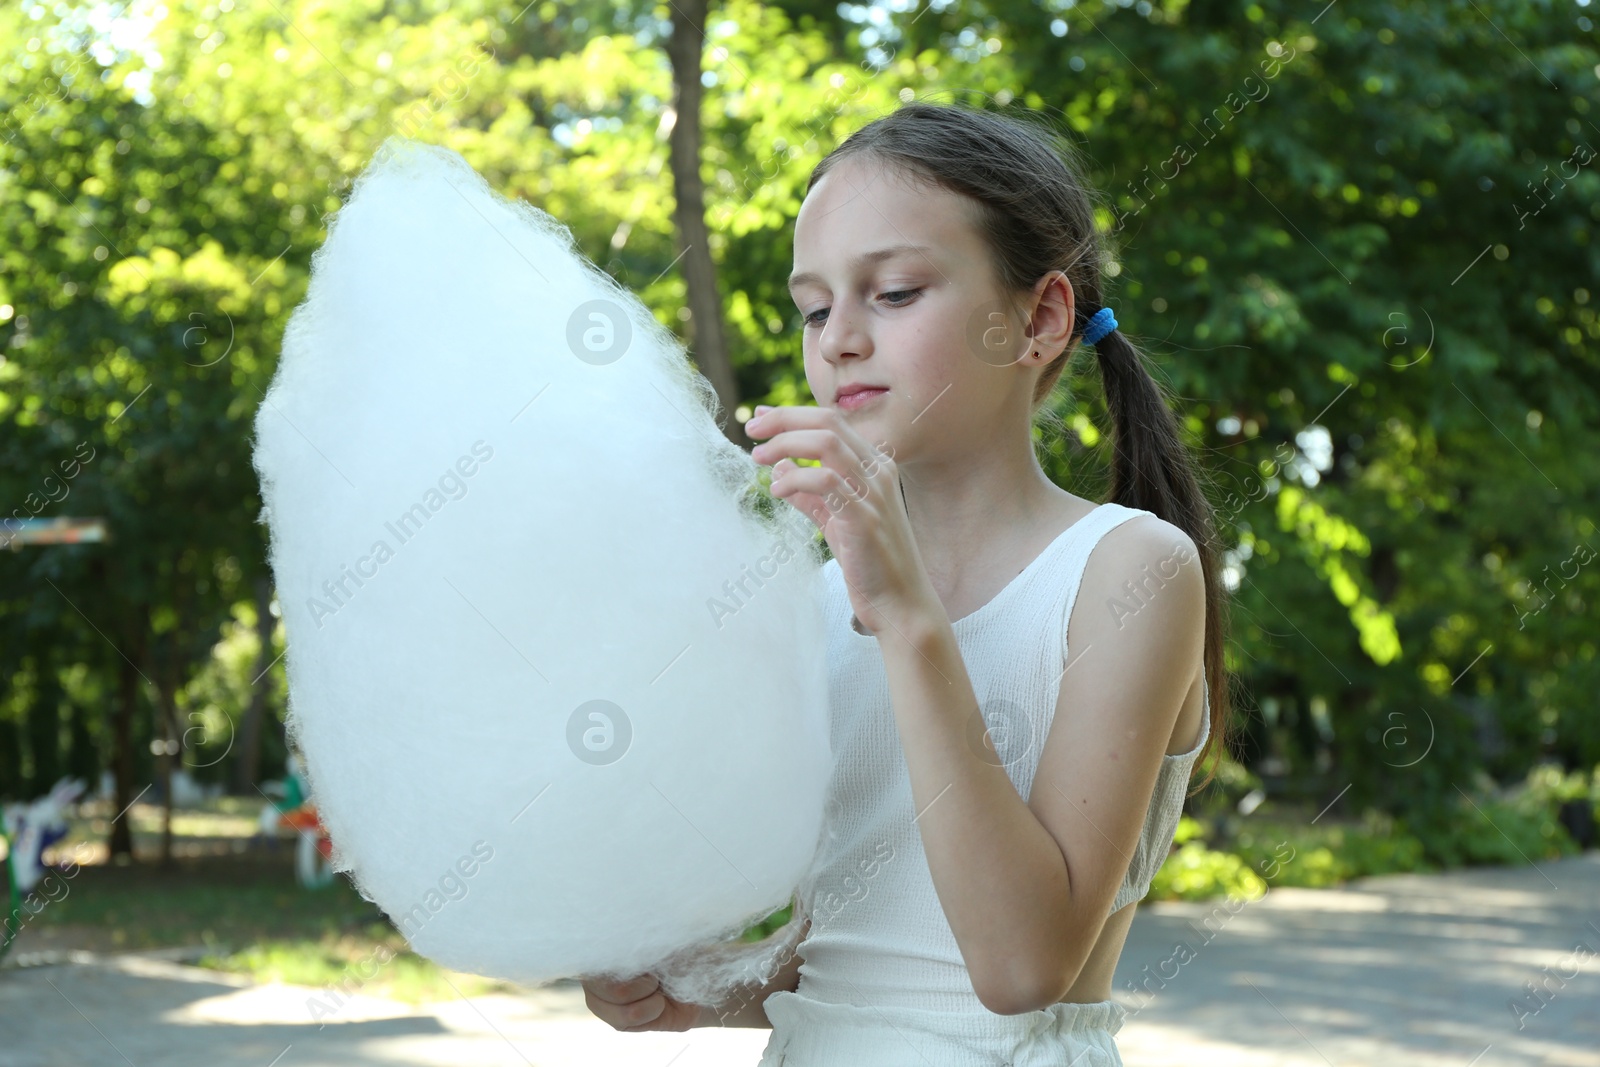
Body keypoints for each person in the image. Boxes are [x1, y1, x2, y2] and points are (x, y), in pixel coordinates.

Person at [585, 99, 1231, 1066]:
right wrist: (695, 990)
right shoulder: (813, 599)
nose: (838, 337)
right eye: (814, 305)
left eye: (892, 292)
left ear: (1039, 319)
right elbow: (846, 950)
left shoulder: (1127, 571)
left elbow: (1020, 966)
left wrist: (904, 618)